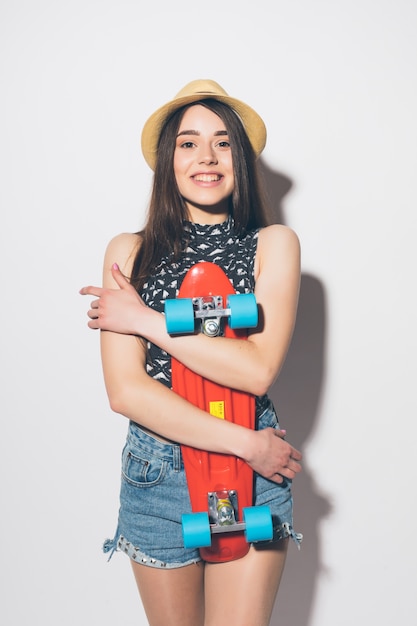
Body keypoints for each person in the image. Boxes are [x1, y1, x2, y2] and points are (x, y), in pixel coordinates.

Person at [80, 79, 303, 626]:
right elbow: (126, 392)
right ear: (167, 159)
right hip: (163, 471)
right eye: (188, 143)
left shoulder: (273, 244)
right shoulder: (127, 251)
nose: (206, 156)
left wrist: (147, 322)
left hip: (255, 472)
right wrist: (246, 444)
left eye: (223, 142)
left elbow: (256, 370)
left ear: (241, 160)